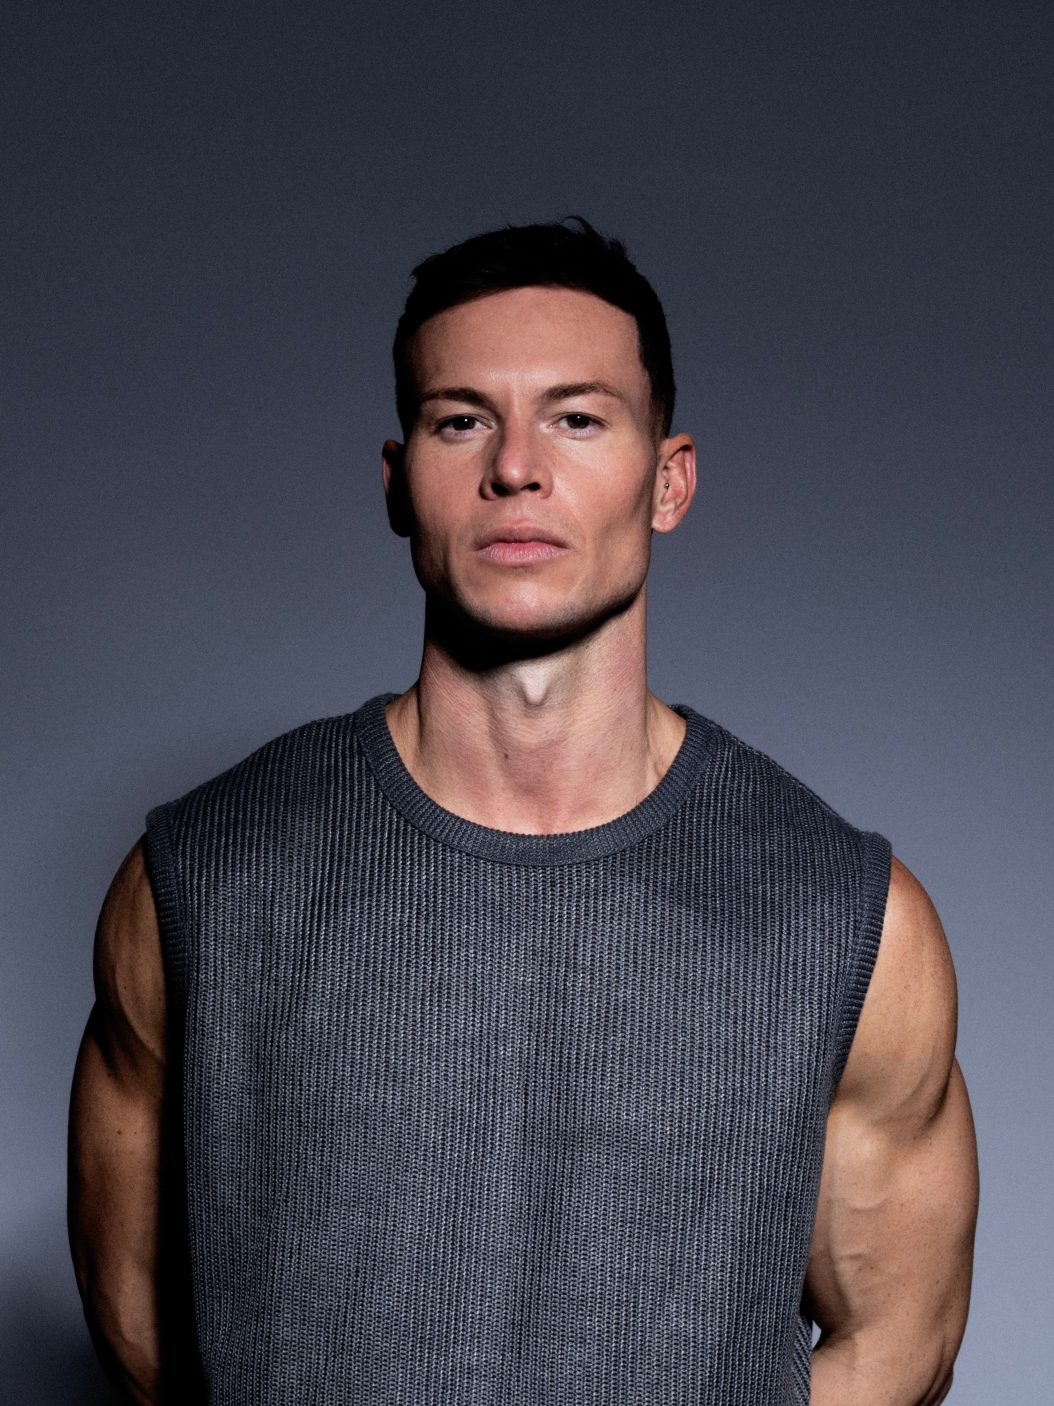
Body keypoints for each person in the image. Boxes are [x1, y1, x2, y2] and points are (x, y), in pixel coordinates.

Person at [68, 217, 979, 1405]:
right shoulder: (202, 879)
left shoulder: (845, 917)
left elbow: (901, 1339)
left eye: (576, 418)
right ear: (398, 484)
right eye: (461, 420)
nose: (515, 467)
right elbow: (142, 1326)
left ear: (668, 479)